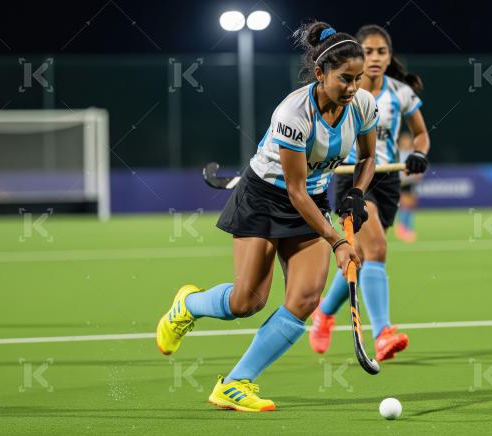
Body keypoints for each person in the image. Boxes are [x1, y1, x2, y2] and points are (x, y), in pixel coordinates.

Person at [155, 21, 379, 412]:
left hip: (310, 199)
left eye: (358, 79)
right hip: (264, 198)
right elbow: (293, 189)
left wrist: (358, 192)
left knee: (306, 297)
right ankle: (188, 306)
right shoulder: (294, 114)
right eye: (345, 79)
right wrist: (338, 240)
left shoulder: (362, 106)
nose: (353, 88)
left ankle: (236, 383)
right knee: (247, 302)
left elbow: (368, 157)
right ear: (320, 73)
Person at [309, 24, 431, 362]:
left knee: (359, 260)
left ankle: (323, 315)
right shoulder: (345, 89)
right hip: (352, 179)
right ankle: (383, 333)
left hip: (387, 181)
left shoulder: (400, 92)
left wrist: (419, 153)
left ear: (390, 57)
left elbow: (420, 133)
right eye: (369, 52)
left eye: (382, 52)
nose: (375, 58)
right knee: (376, 248)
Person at [395, 130, 423, 243]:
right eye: (404, 140)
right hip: (402, 183)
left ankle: (408, 228)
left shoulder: (412, 153)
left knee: (411, 204)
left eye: (408, 140)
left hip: (411, 182)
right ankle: (402, 228)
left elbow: (420, 167)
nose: (406, 142)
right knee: (404, 204)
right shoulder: (398, 153)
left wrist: (418, 175)